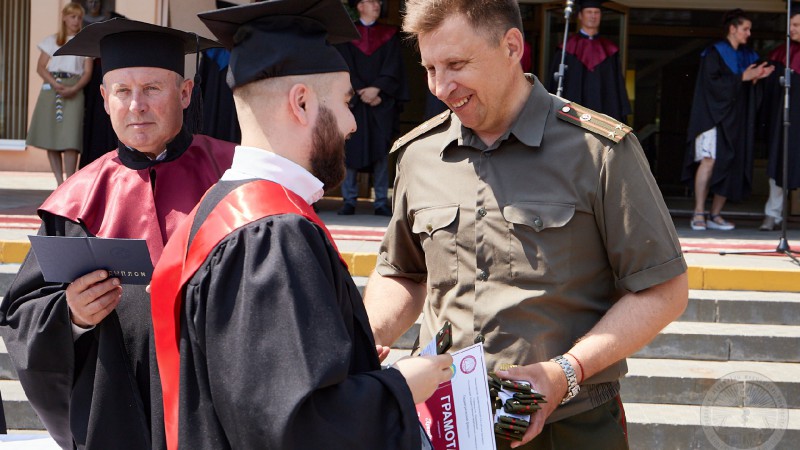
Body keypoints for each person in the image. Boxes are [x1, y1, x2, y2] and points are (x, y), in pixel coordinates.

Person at [362, 1, 689, 448]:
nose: (440, 86)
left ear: (512, 46)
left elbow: (662, 290)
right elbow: (402, 271)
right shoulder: (419, 154)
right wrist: (366, 337)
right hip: (448, 422)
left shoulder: (600, 151)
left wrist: (564, 373)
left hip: (571, 425)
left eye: (456, 64)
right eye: (430, 68)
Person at [149, 1, 453, 449]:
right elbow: (295, 426)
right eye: (346, 102)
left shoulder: (221, 206)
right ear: (302, 102)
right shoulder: (270, 234)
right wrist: (402, 387)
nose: (352, 123)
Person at [0, 19, 233, 450]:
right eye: (122, 92)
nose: (136, 105)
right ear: (105, 100)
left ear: (184, 93)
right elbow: (21, 316)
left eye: (152, 89)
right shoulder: (78, 200)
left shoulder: (234, 179)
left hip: (220, 410)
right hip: (119, 417)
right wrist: (71, 316)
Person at [683, 9, 774, 231]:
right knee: (709, 161)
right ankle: (698, 213)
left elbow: (747, 90)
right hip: (713, 118)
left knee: (732, 163)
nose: (749, 33)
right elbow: (711, 86)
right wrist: (743, 77)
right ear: (732, 29)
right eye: (745, 29)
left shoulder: (748, 56)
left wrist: (756, 80)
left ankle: (715, 214)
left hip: (737, 120)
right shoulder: (714, 53)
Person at [335, 0, 408, 216]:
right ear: (359, 6)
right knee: (350, 151)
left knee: (381, 152)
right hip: (355, 103)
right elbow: (343, 64)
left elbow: (394, 66)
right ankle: (349, 200)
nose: (377, 5)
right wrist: (359, 90)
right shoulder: (348, 35)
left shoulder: (389, 35)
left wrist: (378, 89)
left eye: (378, 2)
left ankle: (380, 202)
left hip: (380, 103)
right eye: (371, 1)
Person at [26, 2, 92, 185]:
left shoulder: (84, 43)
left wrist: (74, 88)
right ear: (64, 17)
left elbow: (87, 72)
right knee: (51, 136)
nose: (76, 21)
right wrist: (54, 83)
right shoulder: (52, 41)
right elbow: (41, 67)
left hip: (74, 89)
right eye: (73, 16)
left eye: (79, 17)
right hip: (52, 88)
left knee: (71, 138)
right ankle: (58, 183)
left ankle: (70, 181)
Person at [548, 0, 631, 122]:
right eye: (589, 12)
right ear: (580, 16)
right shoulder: (567, 48)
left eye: (596, 12)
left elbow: (616, 86)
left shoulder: (609, 50)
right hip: (573, 115)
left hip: (604, 113)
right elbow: (554, 85)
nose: (593, 16)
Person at [759, 4, 800, 231]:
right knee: (780, 164)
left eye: (795, 25)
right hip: (786, 121)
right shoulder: (781, 53)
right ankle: (772, 214)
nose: (791, 29)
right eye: (790, 24)